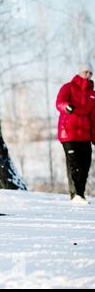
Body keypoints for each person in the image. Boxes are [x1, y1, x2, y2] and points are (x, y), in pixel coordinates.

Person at [56, 63, 95, 204]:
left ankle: (80, 194)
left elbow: (94, 118)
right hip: (69, 133)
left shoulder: (92, 94)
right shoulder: (68, 87)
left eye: (91, 72)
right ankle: (75, 195)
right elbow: (59, 102)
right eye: (86, 71)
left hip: (85, 135)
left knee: (85, 164)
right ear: (80, 72)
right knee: (74, 163)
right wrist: (66, 107)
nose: (89, 75)